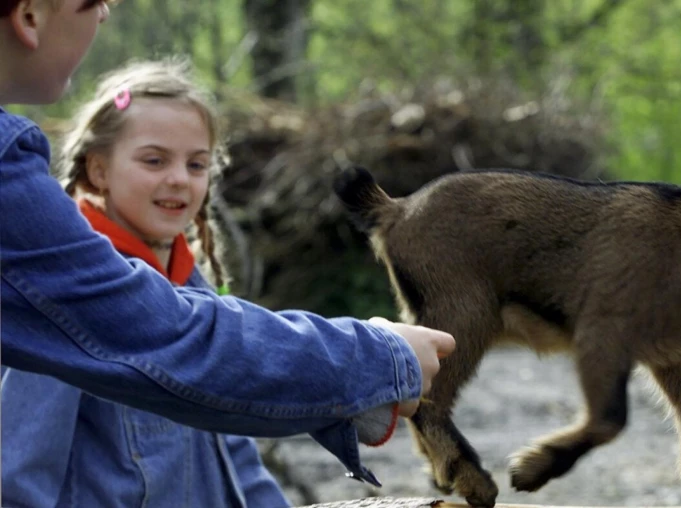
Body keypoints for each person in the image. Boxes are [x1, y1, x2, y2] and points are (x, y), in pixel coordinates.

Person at [0, 0, 455, 497]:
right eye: (153, 160)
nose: (178, 179)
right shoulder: (51, 296)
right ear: (98, 170)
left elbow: (236, 454)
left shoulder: (188, 280)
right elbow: (18, 474)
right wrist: (377, 360)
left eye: (197, 165)